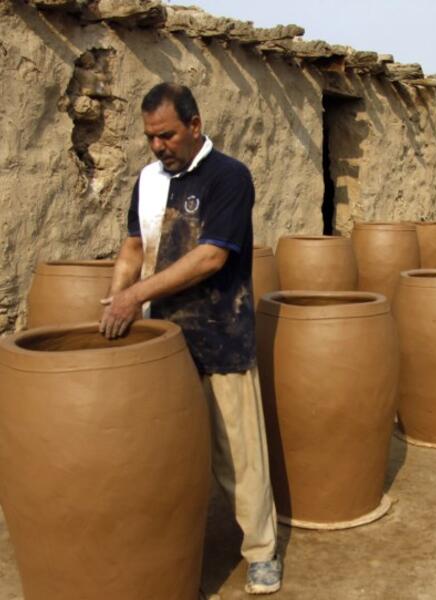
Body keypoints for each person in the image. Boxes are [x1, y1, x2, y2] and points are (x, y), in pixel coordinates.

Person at [99, 83, 281, 594]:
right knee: (167, 453)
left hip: (222, 333)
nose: (158, 146)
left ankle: (262, 550)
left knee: (239, 454)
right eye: (150, 138)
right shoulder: (148, 181)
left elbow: (211, 257)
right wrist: (117, 296)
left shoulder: (230, 177)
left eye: (167, 135)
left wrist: (134, 299)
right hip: (165, 342)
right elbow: (134, 246)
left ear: (195, 126)